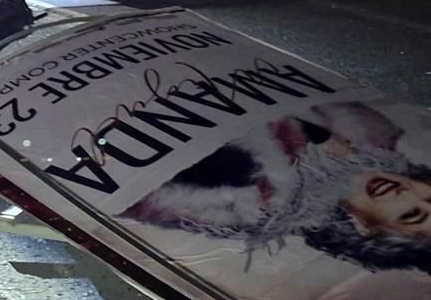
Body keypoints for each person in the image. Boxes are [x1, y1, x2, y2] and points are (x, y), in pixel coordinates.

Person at [122, 102, 431, 275]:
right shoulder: (372, 131)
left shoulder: (249, 206)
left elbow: (146, 181)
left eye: (413, 214)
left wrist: (315, 134)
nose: (408, 191)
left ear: (365, 227)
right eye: (428, 193)